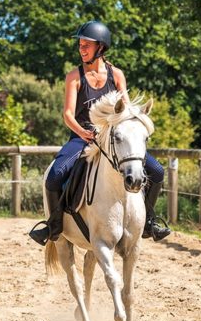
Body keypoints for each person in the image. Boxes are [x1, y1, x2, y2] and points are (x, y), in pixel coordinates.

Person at [29, 20, 171, 246]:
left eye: (86, 44)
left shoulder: (117, 76)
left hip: (112, 141)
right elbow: (67, 114)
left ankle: (149, 221)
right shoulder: (74, 77)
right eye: (80, 45)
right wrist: (82, 132)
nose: (81, 48)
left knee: (157, 171)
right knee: (55, 175)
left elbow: (125, 110)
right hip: (81, 139)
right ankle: (53, 226)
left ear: (101, 48)